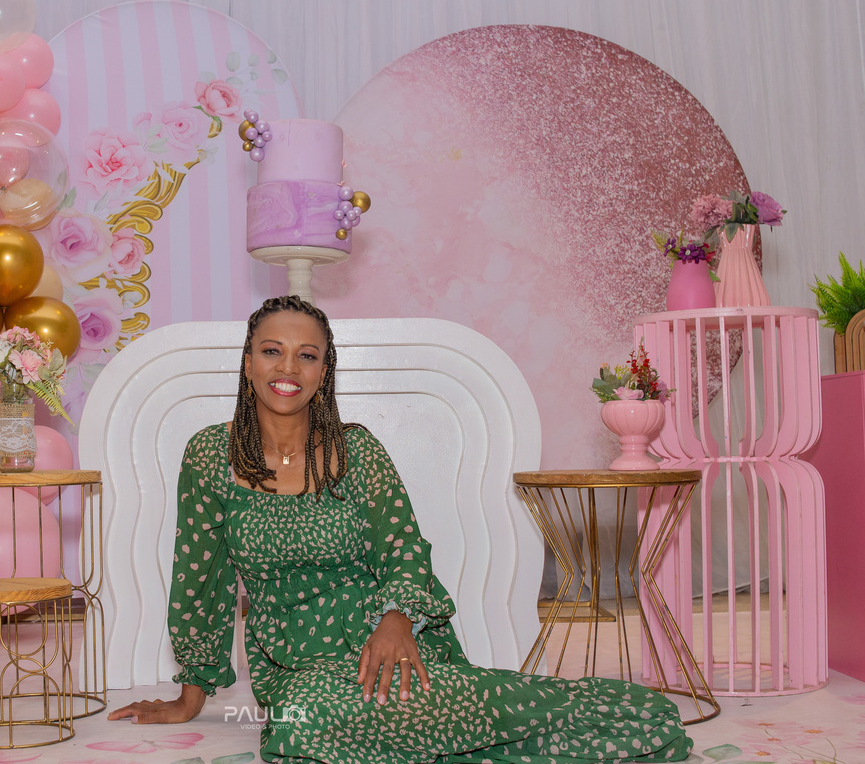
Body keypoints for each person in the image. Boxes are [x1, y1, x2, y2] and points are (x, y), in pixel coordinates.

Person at [110, 295, 692, 764]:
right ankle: (461, 733)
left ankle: (597, 712)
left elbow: (403, 546)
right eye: (271, 351)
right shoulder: (210, 455)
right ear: (248, 363)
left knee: (372, 714)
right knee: (300, 724)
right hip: (294, 662)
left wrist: (395, 619)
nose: (287, 368)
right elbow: (201, 577)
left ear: (323, 371)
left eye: (306, 355)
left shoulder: (356, 450)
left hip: (386, 638)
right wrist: (190, 697)